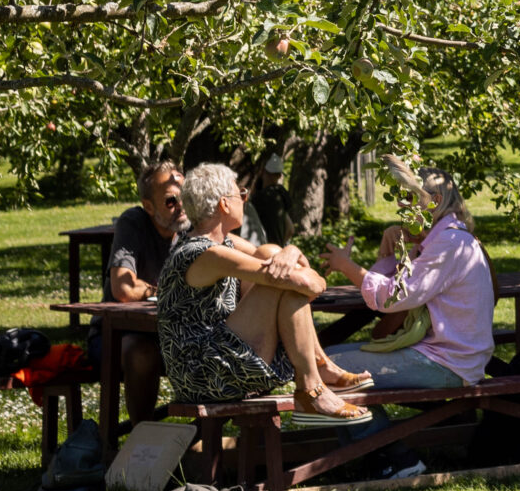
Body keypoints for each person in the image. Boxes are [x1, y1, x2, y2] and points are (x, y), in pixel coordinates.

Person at [156, 162, 371, 426]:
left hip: (217, 360)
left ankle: (317, 373)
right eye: (241, 195)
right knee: (282, 283)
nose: (245, 201)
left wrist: (289, 252)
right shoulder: (207, 253)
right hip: (205, 376)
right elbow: (311, 285)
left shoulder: (222, 243)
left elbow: (282, 261)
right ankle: (312, 386)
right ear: (225, 204)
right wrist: (295, 263)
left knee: (270, 254)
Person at [321, 156, 494, 390]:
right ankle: (379, 427)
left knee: (326, 369)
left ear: (435, 201)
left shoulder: (449, 243)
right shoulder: (444, 238)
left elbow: (392, 297)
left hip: (448, 364)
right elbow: (389, 287)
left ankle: (376, 428)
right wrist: (392, 251)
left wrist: (346, 266)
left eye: (410, 197)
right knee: (325, 361)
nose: (402, 205)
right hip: (443, 357)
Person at [99, 161, 191, 417]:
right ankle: (142, 438)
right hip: (116, 335)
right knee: (142, 352)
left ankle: (204, 442)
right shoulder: (134, 222)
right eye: (171, 201)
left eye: (185, 198)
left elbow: (234, 246)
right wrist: (168, 290)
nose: (181, 207)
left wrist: (281, 254)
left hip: (169, 333)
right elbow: (124, 289)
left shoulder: (189, 225)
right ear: (149, 206)